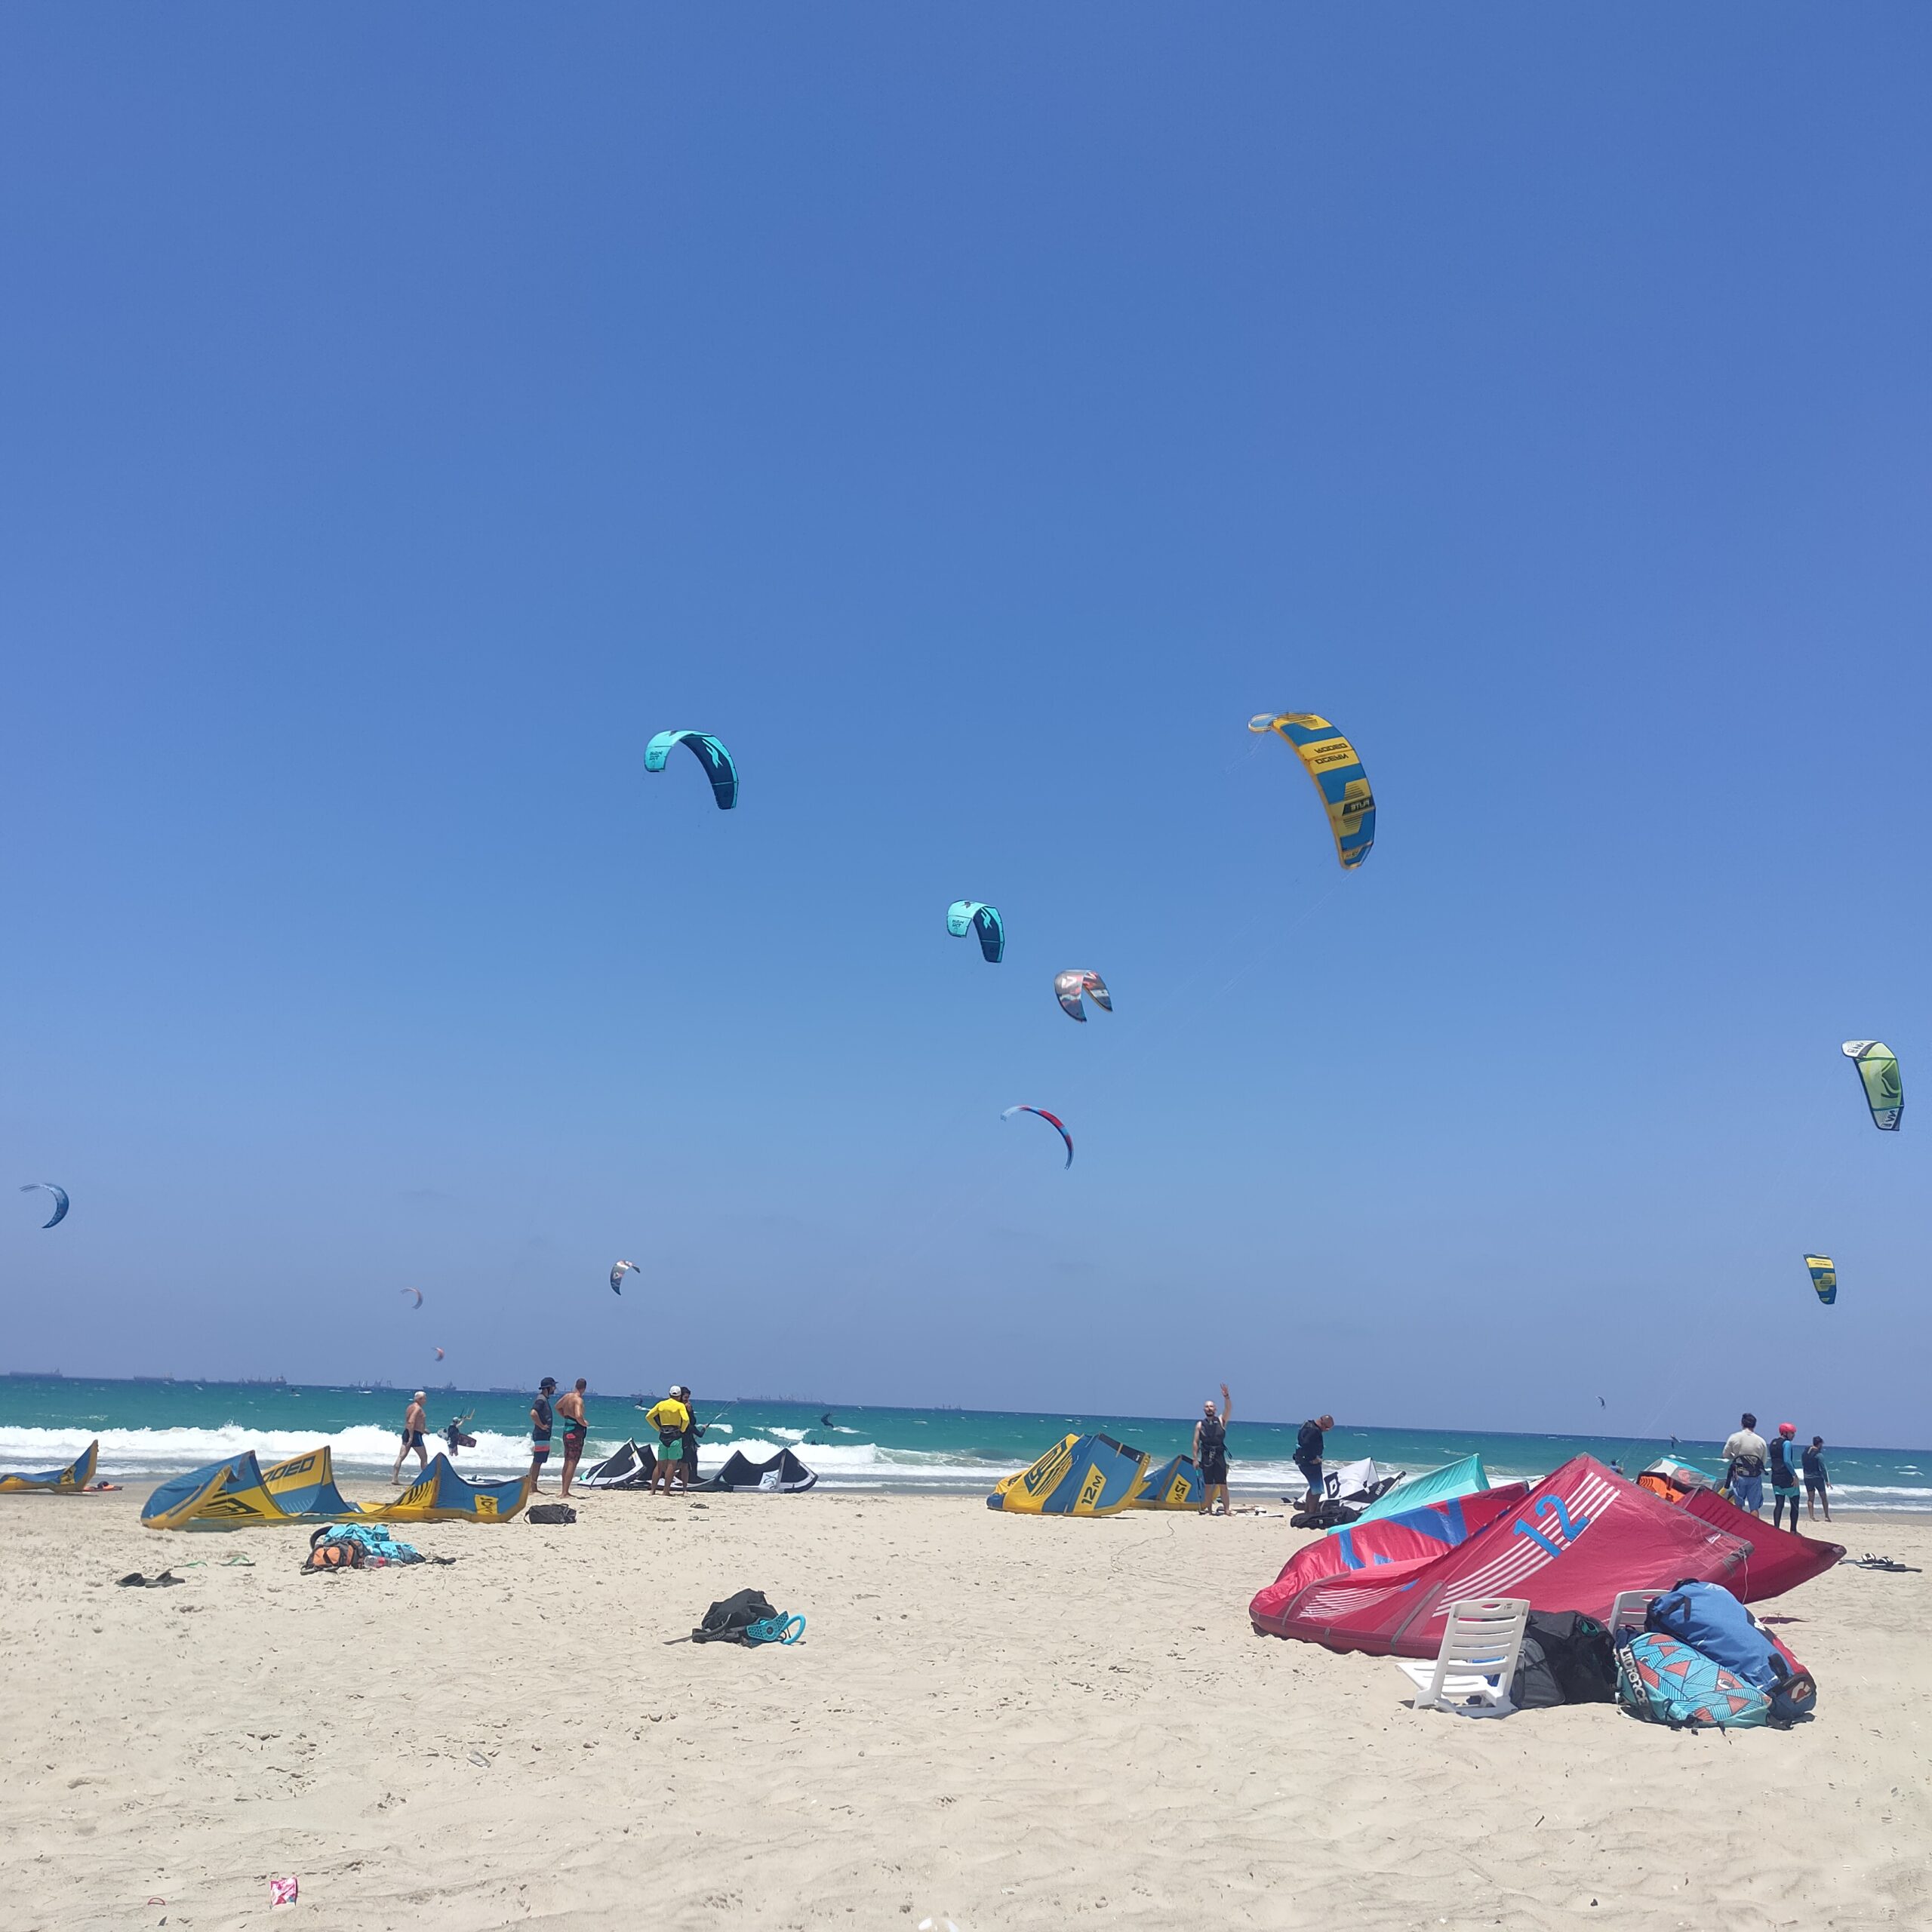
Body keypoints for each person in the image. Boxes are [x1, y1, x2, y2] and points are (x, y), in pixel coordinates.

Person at [1192, 1385, 1232, 1516]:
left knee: (1223, 1484)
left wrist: (1226, 1397)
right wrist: (1195, 1459)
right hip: (1206, 1456)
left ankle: (1226, 1510)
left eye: (1211, 1406)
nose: (1209, 1408)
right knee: (1208, 1485)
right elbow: (1196, 1442)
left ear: (1215, 1409)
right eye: (1207, 1407)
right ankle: (1209, 1510)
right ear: (1204, 1409)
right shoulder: (1199, 1425)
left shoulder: (1221, 1420)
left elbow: (1228, 1408)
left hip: (1219, 1455)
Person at [644, 1388, 692, 1495]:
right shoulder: (680, 1406)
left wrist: (657, 1428)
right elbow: (686, 1419)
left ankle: (653, 1490)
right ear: (679, 1396)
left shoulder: (661, 1404)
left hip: (663, 1435)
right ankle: (666, 1491)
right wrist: (682, 1429)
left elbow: (649, 1416)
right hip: (675, 1436)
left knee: (659, 1465)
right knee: (672, 1464)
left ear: (669, 1394)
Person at [1721, 1411, 1768, 1517]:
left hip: (1739, 1475)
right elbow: (1763, 1462)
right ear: (1755, 1425)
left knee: (1738, 1505)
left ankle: (1739, 1528)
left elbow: (1725, 1454)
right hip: (1755, 1476)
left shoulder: (1734, 1437)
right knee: (1754, 1507)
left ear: (1741, 1423)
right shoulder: (1761, 1441)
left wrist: (1735, 1457)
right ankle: (1754, 1529)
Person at [555, 1378, 590, 1497]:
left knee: (567, 1459)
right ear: (584, 1388)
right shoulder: (578, 1400)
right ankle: (565, 1492)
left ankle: (563, 1490)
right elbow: (579, 1415)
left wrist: (566, 1416)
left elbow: (557, 1407)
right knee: (573, 1461)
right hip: (575, 1432)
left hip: (567, 1430)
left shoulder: (567, 1397)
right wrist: (583, 1422)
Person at [1768, 1423, 1803, 1531]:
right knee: (1795, 1503)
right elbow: (1787, 1461)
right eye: (1792, 1433)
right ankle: (1793, 1530)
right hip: (1786, 1478)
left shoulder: (1773, 1443)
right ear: (1785, 1433)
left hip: (1776, 1478)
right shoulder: (1787, 1443)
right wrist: (1794, 1475)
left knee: (1779, 1505)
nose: (1793, 1435)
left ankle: (1776, 1529)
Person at [391, 1391, 430, 1485]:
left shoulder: (410, 1407)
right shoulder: (418, 1408)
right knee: (424, 1458)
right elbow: (411, 1422)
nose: (426, 1400)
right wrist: (411, 1437)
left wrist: (423, 1430)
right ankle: (427, 1480)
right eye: (425, 1398)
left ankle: (394, 1478)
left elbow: (412, 1422)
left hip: (408, 1432)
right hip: (414, 1435)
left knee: (401, 1456)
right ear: (420, 1399)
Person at [1296, 1414, 1334, 1506]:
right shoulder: (1314, 1431)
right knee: (1317, 1491)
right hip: (1309, 1463)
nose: (1327, 1430)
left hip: (1304, 1461)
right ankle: (1311, 1513)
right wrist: (1313, 1458)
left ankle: (1308, 1511)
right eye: (1327, 1428)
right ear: (1322, 1423)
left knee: (1314, 1488)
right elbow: (1305, 1444)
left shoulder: (1308, 1425)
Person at [530, 1377, 558, 1491]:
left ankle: (532, 1486)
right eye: (553, 1386)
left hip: (543, 1435)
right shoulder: (541, 1399)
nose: (555, 1389)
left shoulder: (543, 1399)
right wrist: (541, 1426)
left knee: (538, 1460)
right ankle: (533, 1487)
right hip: (541, 1435)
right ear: (548, 1388)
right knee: (538, 1461)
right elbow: (533, 1413)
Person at [679, 1388, 706, 1492]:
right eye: (685, 1398)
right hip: (681, 1435)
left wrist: (690, 1411)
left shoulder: (689, 1406)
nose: (687, 1400)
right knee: (683, 1459)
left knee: (693, 1458)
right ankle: (686, 1476)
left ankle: (693, 1476)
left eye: (688, 1398)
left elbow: (693, 1421)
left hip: (689, 1434)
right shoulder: (678, 1407)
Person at [1803, 1435, 1832, 1522]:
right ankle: (1826, 1516)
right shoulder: (1819, 1455)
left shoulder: (1805, 1452)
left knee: (1810, 1498)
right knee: (1824, 1497)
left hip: (1807, 1478)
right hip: (1817, 1478)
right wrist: (1827, 1481)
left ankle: (1811, 1517)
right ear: (1819, 1444)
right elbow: (1823, 1468)